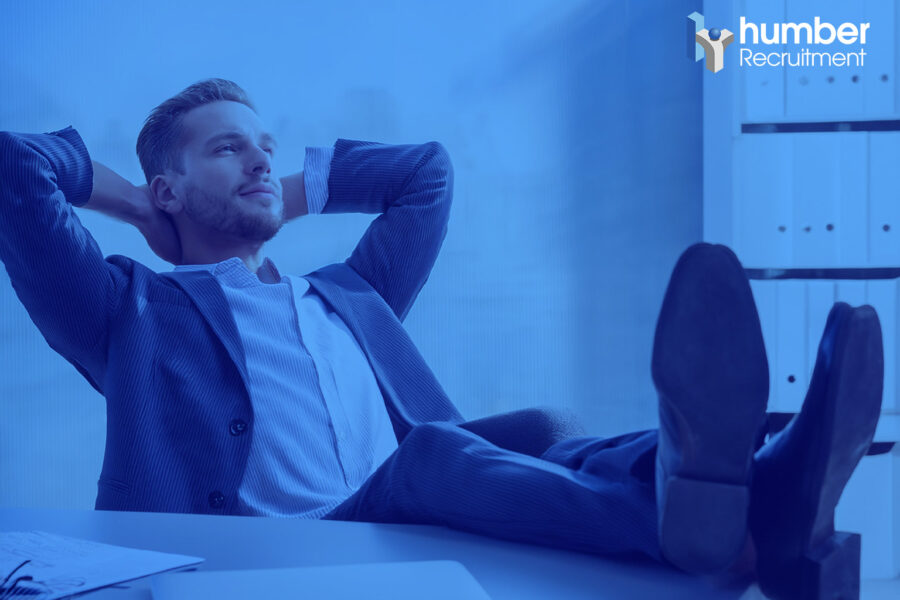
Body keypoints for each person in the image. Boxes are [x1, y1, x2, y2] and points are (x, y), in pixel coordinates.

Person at [0, 78, 883, 599]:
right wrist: (139, 211)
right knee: (433, 453)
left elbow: (426, 175)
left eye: (266, 146)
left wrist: (271, 187)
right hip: (290, 541)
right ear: (167, 189)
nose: (263, 160)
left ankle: (772, 486)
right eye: (229, 151)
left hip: (396, 515)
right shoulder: (129, 311)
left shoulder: (350, 292)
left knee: (542, 426)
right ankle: (698, 524)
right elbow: (16, 165)